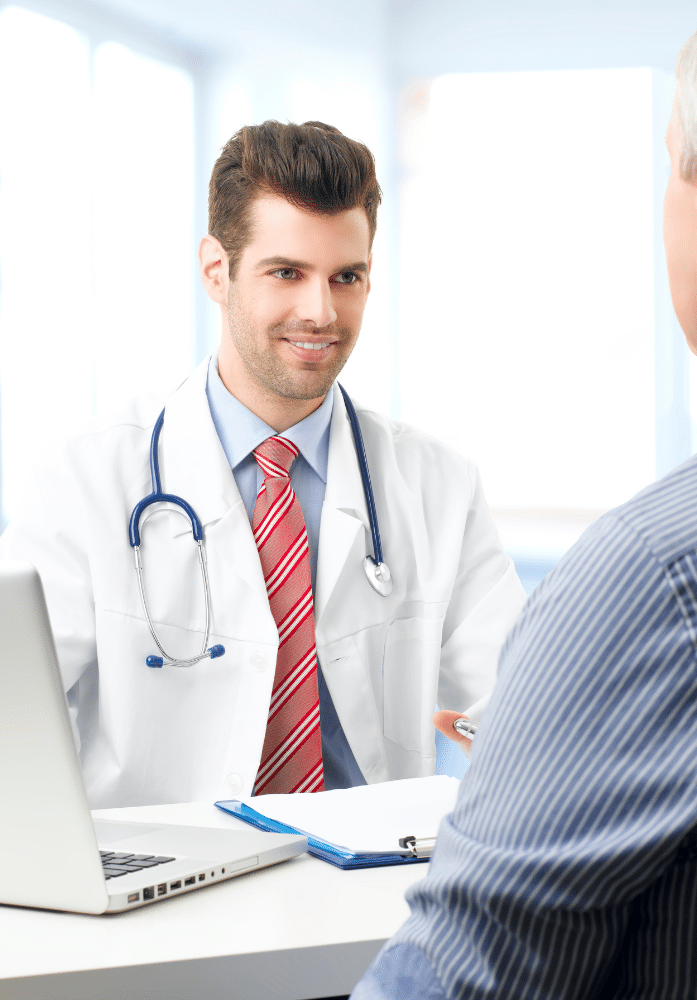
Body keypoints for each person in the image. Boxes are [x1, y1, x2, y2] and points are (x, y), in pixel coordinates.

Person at [0, 121, 526, 808]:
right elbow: (15, 722)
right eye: (287, 273)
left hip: (369, 888)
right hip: (162, 889)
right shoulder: (86, 481)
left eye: (347, 277)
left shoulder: (437, 485)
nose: (321, 312)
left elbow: (516, 711)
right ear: (217, 271)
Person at [350, 17, 697, 1000]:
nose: (320, 310)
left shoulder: (656, 572)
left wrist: (551, 716)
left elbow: (454, 972)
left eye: (345, 276)